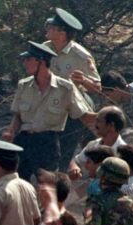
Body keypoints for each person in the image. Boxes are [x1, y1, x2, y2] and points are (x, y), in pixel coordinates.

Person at [2, 41, 94, 183]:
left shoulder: (65, 88)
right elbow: (18, 116)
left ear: (41, 62)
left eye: (28, 60)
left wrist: (105, 119)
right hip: (24, 141)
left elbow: (82, 115)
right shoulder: (23, 85)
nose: (24, 63)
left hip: (47, 143)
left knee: (48, 186)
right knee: (17, 182)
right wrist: (11, 131)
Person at [42, 8, 101, 170]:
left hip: (73, 110)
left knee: (66, 151)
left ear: (62, 33)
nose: (47, 29)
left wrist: (83, 80)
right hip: (49, 106)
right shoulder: (44, 49)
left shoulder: (80, 56)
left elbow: (97, 87)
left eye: (52, 28)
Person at [69, 106, 127, 179]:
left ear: (111, 126)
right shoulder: (93, 144)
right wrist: (74, 167)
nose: (95, 124)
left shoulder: (123, 153)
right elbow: (76, 161)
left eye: (98, 121)